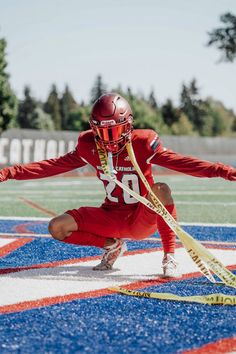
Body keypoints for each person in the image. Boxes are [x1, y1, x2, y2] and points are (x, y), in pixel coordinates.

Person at [0, 93, 235, 277]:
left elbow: (181, 163)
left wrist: (222, 171)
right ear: (93, 129)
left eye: (115, 130)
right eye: (102, 132)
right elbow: (52, 166)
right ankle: (112, 245)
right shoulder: (89, 145)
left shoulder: (143, 142)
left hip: (140, 217)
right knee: (57, 227)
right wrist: (9, 172)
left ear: (129, 125)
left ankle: (169, 257)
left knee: (161, 189)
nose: (109, 139)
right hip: (111, 216)